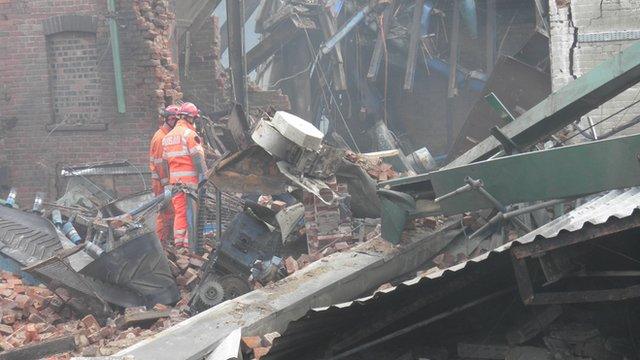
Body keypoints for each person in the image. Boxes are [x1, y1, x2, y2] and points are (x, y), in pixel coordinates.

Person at [161, 102, 208, 250]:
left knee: (180, 213)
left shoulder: (167, 137)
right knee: (191, 214)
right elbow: (198, 159)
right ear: (190, 118)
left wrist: (170, 181)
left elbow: (164, 163)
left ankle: (179, 244)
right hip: (190, 184)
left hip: (175, 183)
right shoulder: (190, 135)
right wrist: (205, 178)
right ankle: (189, 248)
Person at [149, 105, 179, 244]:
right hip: (162, 183)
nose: (176, 122)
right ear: (167, 119)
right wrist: (167, 184)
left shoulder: (166, 136)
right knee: (165, 213)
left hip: (163, 182)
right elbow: (161, 164)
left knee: (168, 213)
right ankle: (161, 243)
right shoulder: (161, 138)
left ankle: (166, 242)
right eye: (173, 119)